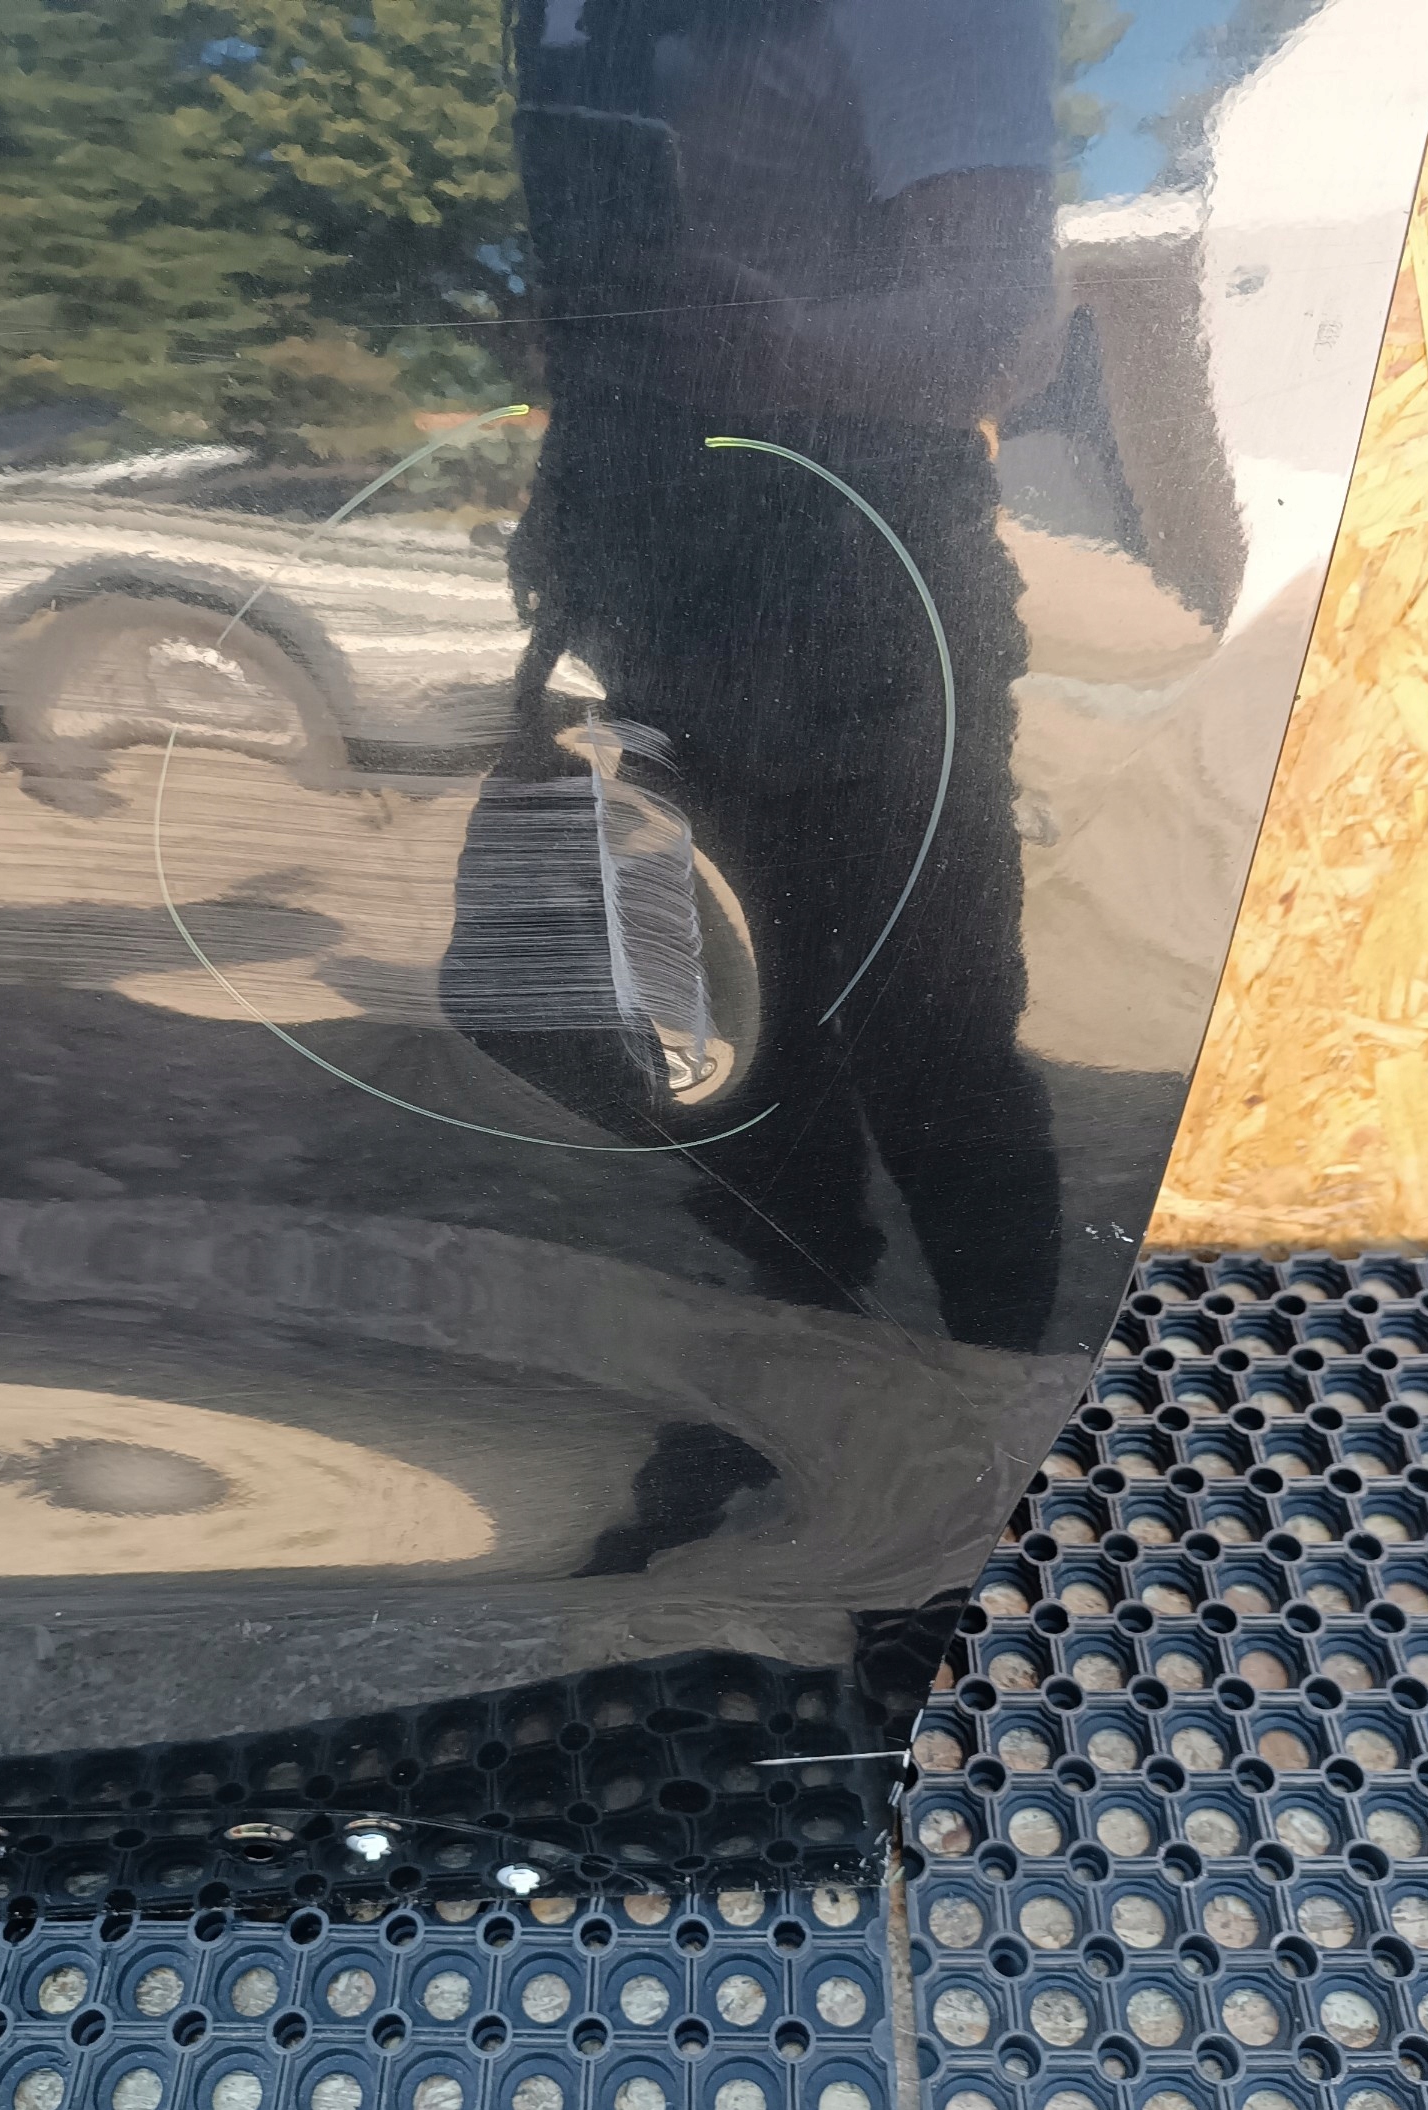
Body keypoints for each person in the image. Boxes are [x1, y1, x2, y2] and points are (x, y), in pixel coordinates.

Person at [443, 0, 1065, 1352]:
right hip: (642, 589)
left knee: (934, 1039)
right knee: (720, 1024)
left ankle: (1004, 1409)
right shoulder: (559, 17)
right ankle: (801, 1369)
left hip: (860, 587)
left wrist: (779, 349)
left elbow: (1010, 331)